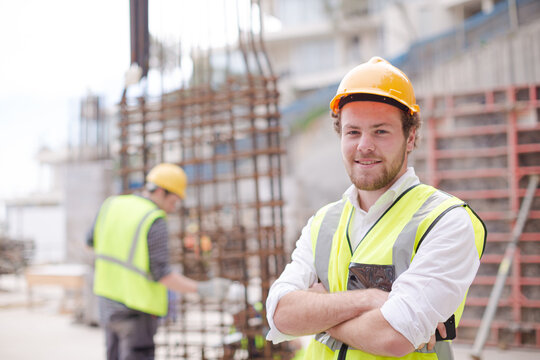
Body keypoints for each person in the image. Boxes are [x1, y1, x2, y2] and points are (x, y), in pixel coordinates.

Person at [265, 57, 486, 359]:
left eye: (380, 131)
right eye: (353, 132)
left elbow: (392, 337)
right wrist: (370, 300)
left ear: (410, 138)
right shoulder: (322, 223)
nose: (364, 145)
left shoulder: (446, 221)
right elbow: (280, 314)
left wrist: (318, 314)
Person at [87, 163, 231, 360]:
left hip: (107, 304)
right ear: (162, 191)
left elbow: (90, 243)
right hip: (136, 309)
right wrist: (203, 289)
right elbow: (162, 275)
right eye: (175, 199)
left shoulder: (111, 205)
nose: (175, 205)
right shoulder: (153, 219)